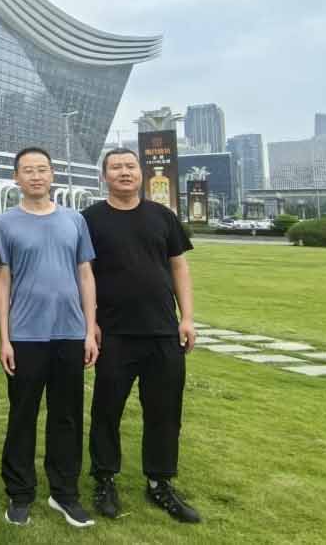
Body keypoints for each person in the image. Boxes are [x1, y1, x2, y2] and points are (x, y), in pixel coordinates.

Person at [83, 148, 202, 524]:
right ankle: (104, 479)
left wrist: (187, 318)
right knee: (106, 410)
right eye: (116, 167)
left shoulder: (162, 217)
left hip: (163, 331)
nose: (124, 172)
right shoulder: (89, 219)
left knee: (165, 412)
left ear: (140, 173)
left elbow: (179, 267)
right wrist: (91, 322)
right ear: (104, 176)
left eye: (130, 166)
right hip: (114, 333)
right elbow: (82, 274)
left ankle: (159, 482)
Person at [0, 147, 98, 528]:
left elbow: (85, 274)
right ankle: (20, 493)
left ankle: (64, 493)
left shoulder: (74, 220)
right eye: (28, 170)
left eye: (42, 169)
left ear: (52, 174)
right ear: (16, 178)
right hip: (25, 335)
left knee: (67, 416)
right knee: (22, 415)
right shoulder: (4, 224)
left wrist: (90, 329)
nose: (36, 176)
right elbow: (2, 282)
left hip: (70, 332)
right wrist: (4, 338)